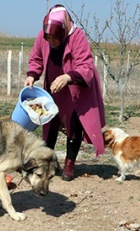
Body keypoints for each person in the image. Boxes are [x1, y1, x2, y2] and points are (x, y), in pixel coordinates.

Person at [24, 4, 106, 181]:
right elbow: (36, 58)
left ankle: (70, 163)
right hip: (51, 90)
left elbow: (86, 66)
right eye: (49, 39)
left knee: (73, 127)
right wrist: (32, 75)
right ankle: (47, 162)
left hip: (73, 91)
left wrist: (67, 77)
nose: (52, 42)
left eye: (55, 38)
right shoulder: (43, 36)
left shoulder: (77, 37)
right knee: (49, 124)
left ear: (64, 30)